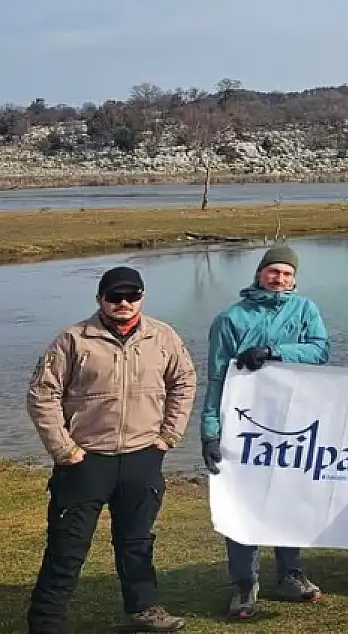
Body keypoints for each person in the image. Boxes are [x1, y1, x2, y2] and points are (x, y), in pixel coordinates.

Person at [25, 266, 197, 634]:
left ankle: (143, 610)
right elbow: (42, 395)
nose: (123, 302)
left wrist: (169, 435)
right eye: (115, 296)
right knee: (67, 548)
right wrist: (64, 449)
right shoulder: (73, 339)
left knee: (137, 542)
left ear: (142, 297)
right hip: (85, 461)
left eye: (131, 295)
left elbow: (184, 383)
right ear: (100, 299)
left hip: (142, 456)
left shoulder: (162, 336)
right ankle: (46, 623)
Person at [199, 244, 330, 620]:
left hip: (292, 420)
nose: (279, 279)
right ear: (259, 273)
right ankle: (244, 583)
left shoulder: (306, 310)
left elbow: (320, 351)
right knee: (243, 503)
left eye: (287, 274)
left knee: (289, 498)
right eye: (273, 271)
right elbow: (216, 378)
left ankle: (290, 573)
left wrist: (274, 351)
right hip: (244, 426)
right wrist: (210, 432)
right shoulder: (230, 318)